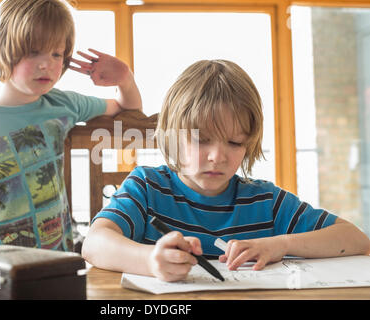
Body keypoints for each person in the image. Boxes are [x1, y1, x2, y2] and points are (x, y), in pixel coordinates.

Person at [82, 59, 370, 282]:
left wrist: (278, 245)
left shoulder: (265, 202)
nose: (217, 156)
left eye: (234, 142)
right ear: (171, 135)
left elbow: (356, 239)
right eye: (201, 139)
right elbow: (94, 243)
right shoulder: (146, 187)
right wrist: (150, 260)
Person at [0, 0, 142, 251]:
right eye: (33, 51)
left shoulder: (62, 104)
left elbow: (129, 109)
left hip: (58, 269)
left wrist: (125, 77)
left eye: (56, 54)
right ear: (4, 48)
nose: (46, 64)